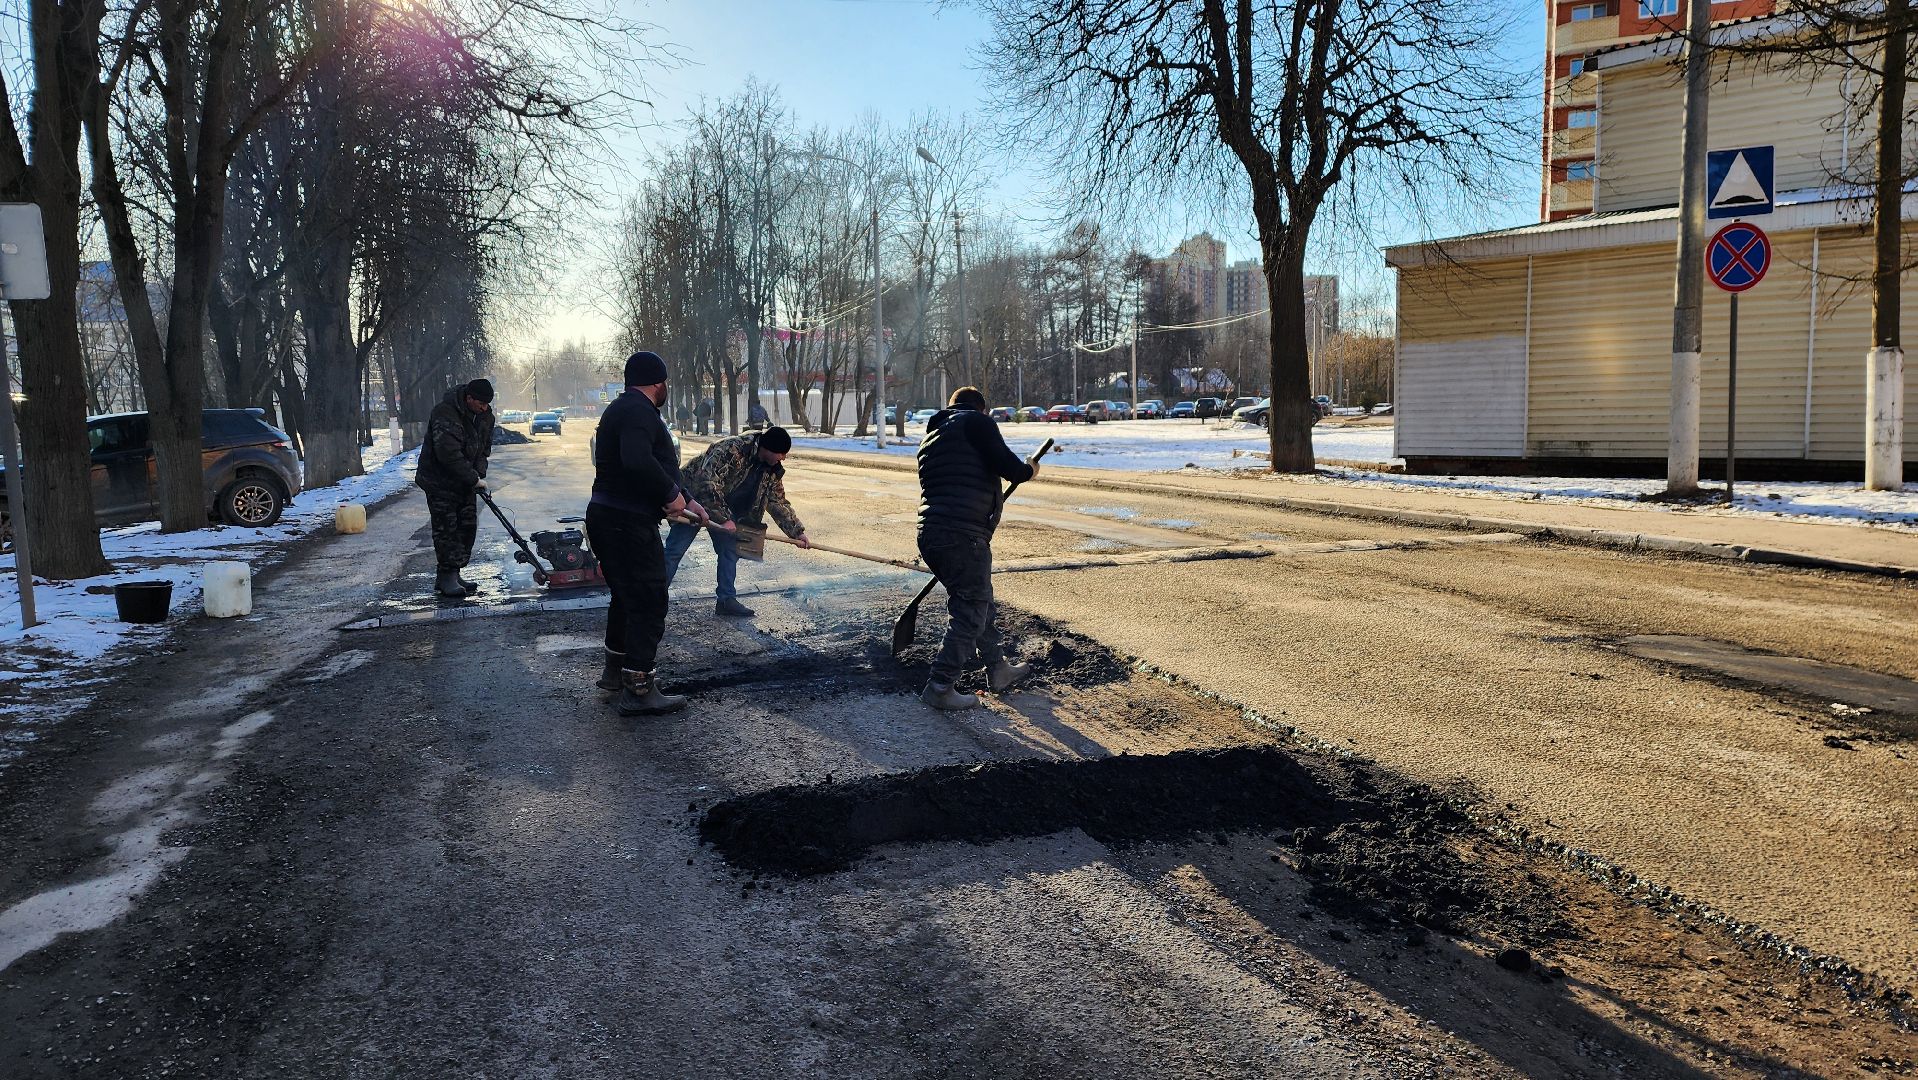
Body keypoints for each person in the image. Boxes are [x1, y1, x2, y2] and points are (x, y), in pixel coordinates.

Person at [588, 351, 716, 716]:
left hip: (611, 517)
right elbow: (638, 461)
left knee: (626, 598)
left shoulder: (625, 410)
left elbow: (659, 465)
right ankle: (640, 688)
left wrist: (689, 500)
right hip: (626, 523)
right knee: (649, 600)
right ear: (659, 384)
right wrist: (670, 495)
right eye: (666, 384)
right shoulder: (638, 412)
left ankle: (615, 674)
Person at [914, 386, 1037, 710]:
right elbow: (1010, 468)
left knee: (980, 602)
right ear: (981, 409)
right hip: (963, 535)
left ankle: (997, 669)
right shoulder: (976, 423)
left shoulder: (933, 437)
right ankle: (940, 686)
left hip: (932, 534)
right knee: (970, 611)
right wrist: (1029, 470)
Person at [665, 426, 811, 618]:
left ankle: (726, 601)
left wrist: (797, 531)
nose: (783, 458)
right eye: (781, 453)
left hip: (724, 506)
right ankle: (652, 597)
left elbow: (777, 501)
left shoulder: (771, 468)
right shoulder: (733, 449)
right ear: (767, 448)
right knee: (675, 550)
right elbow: (706, 483)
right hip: (693, 499)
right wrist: (724, 518)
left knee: (729, 550)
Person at [415, 378, 496, 599]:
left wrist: (479, 474)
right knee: (447, 529)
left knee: (467, 525)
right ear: (469, 398)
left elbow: (483, 449)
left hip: (465, 481)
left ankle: (454, 573)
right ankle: (446, 576)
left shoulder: (485, 415)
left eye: (487, 404)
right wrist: (472, 479)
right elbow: (448, 455)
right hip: (439, 481)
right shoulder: (445, 413)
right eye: (480, 403)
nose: (484, 408)